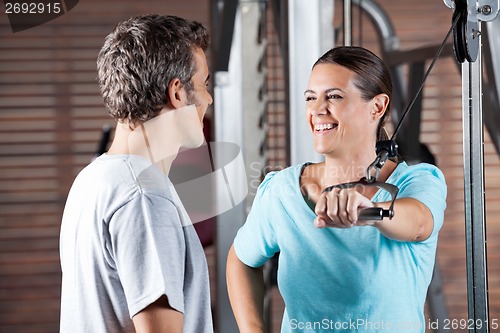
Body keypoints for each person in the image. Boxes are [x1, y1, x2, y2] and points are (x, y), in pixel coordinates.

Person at [226, 46, 447, 333]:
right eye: (310, 98)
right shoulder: (282, 191)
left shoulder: (415, 182)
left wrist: (368, 212)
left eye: (334, 96)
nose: (317, 109)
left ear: (377, 108)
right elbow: (241, 260)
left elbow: (418, 223)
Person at [59, 14, 214, 333]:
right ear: (177, 93)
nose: (209, 99)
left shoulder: (92, 179)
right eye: (204, 84)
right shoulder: (144, 196)